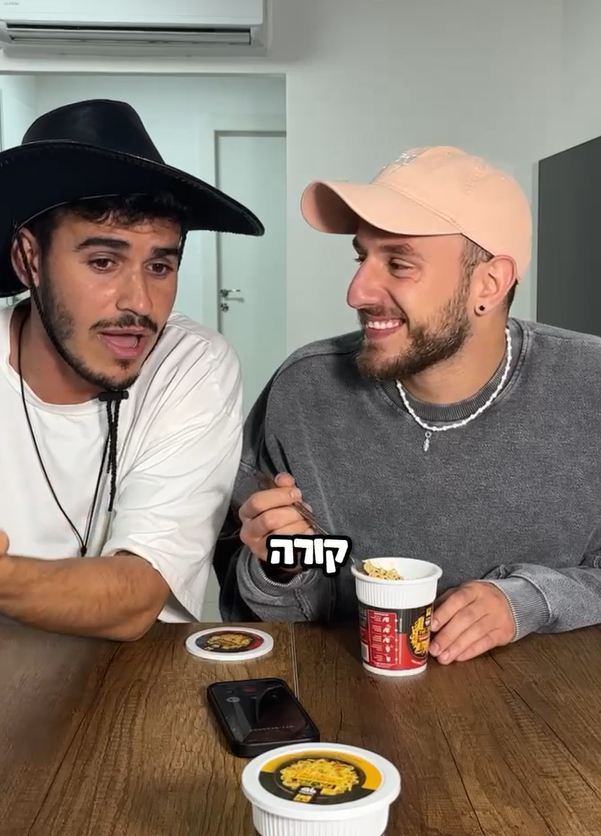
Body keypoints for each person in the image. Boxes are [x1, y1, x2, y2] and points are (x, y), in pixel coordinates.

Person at [215, 145, 601, 665]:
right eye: (362, 258)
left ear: (489, 283)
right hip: (347, 689)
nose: (356, 292)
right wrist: (282, 565)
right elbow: (251, 600)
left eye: (398, 263)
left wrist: (531, 600)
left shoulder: (588, 385)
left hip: (549, 699)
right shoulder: (305, 392)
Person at [0, 98, 264, 641]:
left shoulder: (191, 364)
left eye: (160, 266)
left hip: (138, 679)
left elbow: (137, 594)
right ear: (29, 259)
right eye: (103, 262)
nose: (140, 302)